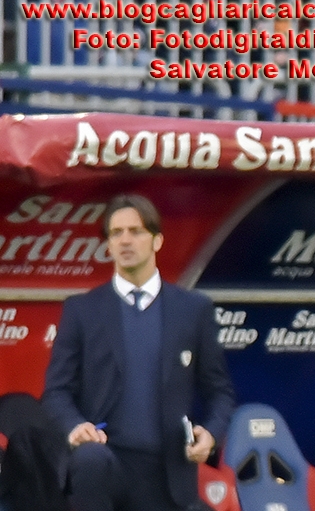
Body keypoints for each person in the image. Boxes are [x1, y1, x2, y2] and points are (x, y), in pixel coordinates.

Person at [42, 194, 236, 511]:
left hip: (168, 473)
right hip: (104, 465)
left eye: (135, 231)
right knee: (90, 460)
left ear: (157, 241)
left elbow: (220, 392)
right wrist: (76, 427)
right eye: (116, 233)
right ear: (108, 245)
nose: (125, 241)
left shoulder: (193, 309)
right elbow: (56, 391)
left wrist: (211, 435)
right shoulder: (82, 310)